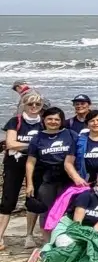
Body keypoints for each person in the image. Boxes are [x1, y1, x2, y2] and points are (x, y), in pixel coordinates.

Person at [25, 107, 77, 239]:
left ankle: (65, 239)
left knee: (68, 209)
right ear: (44, 120)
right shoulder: (37, 138)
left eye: (56, 119)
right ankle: (47, 241)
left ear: (61, 121)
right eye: (50, 119)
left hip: (68, 177)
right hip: (47, 178)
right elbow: (30, 162)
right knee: (46, 210)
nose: (53, 121)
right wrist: (29, 184)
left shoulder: (71, 135)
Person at [1, 91, 44, 250]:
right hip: (15, 164)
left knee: (32, 199)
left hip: (36, 165)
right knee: (8, 200)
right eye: (30, 104)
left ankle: (29, 236)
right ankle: (0, 236)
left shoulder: (43, 123)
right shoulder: (15, 121)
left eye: (37, 104)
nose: (33, 107)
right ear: (24, 105)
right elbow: (11, 143)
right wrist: (34, 145)